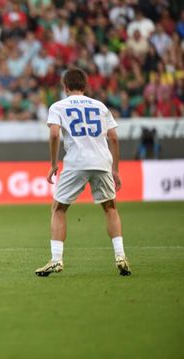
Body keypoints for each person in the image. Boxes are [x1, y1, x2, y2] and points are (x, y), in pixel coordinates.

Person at [35, 67, 131, 277]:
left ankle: (56, 259)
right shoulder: (100, 106)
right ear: (85, 86)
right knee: (110, 208)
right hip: (102, 161)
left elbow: (53, 134)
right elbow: (113, 137)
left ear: (65, 86)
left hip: (77, 162)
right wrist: (115, 169)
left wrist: (53, 164)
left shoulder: (58, 106)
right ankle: (120, 255)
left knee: (58, 209)